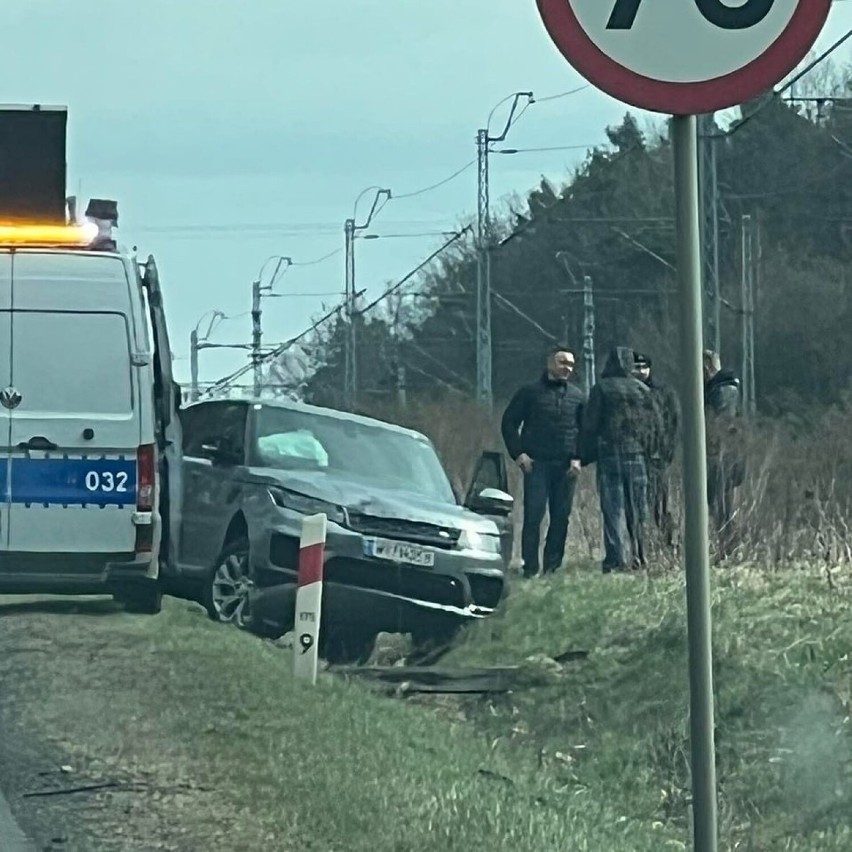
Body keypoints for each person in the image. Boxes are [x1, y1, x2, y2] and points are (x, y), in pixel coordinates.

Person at [501, 345, 585, 578]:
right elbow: (509, 423)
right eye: (562, 362)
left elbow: (586, 431)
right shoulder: (529, 393)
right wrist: (519, 454)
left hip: (566, 466)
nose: (567, 368)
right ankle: (530, 568)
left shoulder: (578, 397)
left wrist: (579, 458)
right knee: (533, 516)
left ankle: (552, 568)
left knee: (561, 518)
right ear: (549, 363)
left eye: (570, 364)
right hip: (536, 464)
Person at [579, 346, 662, 572]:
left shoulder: (601, 389)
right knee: (637, 510)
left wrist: (584, 455)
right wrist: (652, 452)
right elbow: (656, 425)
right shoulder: (643, 390)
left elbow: (589, 426)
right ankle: (639, 556)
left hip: (609, 454)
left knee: (613, 509)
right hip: (638, 455)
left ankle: (616, 559)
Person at [634, 352, 680, 549]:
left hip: (657, 455)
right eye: (637, 367)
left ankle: (667, 542)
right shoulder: (629, 392)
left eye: (644, 367)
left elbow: (675, 421)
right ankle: (639, 546)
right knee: (637, 504)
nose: (641, 371)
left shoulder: (663, 392)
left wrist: (667, 450)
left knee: (660, 503)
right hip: (635, 454)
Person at [703, 349, 744, 557]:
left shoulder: (722, 391)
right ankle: (727, 547)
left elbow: (722, 425)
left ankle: (730, 549)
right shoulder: (722, 389)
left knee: (722, 505)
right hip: (725, 455)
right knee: (721, 504)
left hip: (722, 456)